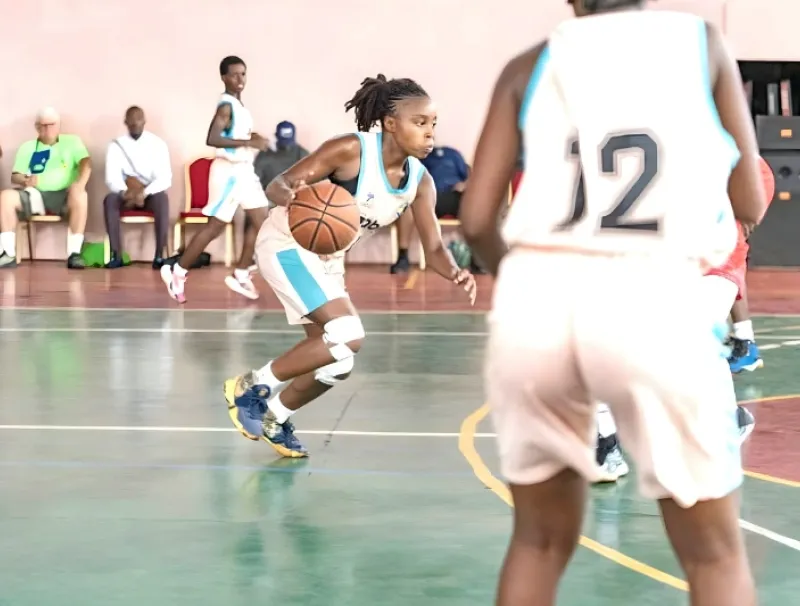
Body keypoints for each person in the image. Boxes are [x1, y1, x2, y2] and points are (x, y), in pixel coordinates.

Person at [458, 1, 767, 604]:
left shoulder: (528, 64)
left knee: (538, 543)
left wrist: (522, 282)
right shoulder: (701, 43)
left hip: (536, 301)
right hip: (650, 294)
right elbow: (749, 199)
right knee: (715, 557)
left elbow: (474, 220)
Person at [223, 75, 477, 458]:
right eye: (420, 123)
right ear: (391, 123)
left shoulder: (420, 182)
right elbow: (279, 184)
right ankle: (251, 386)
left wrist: (455, 271)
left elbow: (435, 247)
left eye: (433, 125)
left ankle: (275, 415)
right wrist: (294, 196)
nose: (430, 134)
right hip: (287, 243)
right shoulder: (350, 151)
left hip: (327, 259)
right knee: (346, 333)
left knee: (337, 361)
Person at [160, 55, 270, 302]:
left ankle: (241, 272)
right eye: (234, 74)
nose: (239, 79)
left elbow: (236, 134)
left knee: (262, 220)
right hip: (228, 172)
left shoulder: (240, 107)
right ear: (224, 77)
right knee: (214, 228)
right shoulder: (226, 105)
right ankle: (176, 271)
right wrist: (249, 141)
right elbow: (213, 138)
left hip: (243, 170)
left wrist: (253, 137)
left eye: (243, 74)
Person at [0, 107, 91, 269]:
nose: (48, 129)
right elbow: (15, 176)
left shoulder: (72, 142)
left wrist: (80, 184)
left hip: (64, 195)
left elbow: (86, 164)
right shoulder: (27, 147)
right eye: (43, 125)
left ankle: (74, 253)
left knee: (81, 195)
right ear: (37, 127)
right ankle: (7, 253)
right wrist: (25, 180)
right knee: (5, 197)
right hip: (35, 195)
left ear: (59, 125)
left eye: (52, 124)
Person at [103, 106, 172, 269]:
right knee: (109, 200)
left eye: (138, 120)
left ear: (144, 121)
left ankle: (159, 256)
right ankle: (117, 255)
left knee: (162, 199)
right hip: (126, 192)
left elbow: (165, 178)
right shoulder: (116, 145)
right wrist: (125, 192)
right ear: (125, 122)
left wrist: (144, 192)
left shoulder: (157, 144)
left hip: (149, 193)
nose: (135, 124)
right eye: (131, 121)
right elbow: (111, 177)